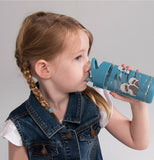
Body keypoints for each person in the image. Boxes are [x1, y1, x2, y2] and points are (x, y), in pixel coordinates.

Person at [0, 11, 150, 160]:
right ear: (44, 69)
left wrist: (138, 105)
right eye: (78, 57)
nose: (89, 65)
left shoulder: (95, 100)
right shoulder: (19, 126)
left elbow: (138, 142)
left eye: (87, 55)